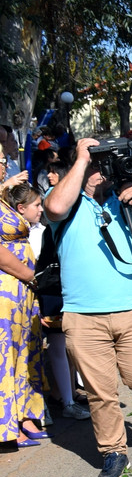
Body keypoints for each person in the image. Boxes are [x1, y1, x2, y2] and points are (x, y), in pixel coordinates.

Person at [42, 137, 132, 477]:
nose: (101, 170)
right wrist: (81, 158)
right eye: (95, 163)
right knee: (100, 391)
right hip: (82, 315)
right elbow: (54, 208)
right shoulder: (67, 201)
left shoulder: (127, 200)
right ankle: (113, 451)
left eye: (104, 163)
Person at [0, 182, 50, 449]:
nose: (3, 165)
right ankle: (8, 426)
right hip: (7, 290)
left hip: (24, 292)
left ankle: (25, 416)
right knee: (7, 356)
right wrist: (31, 275)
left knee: (26, 353)